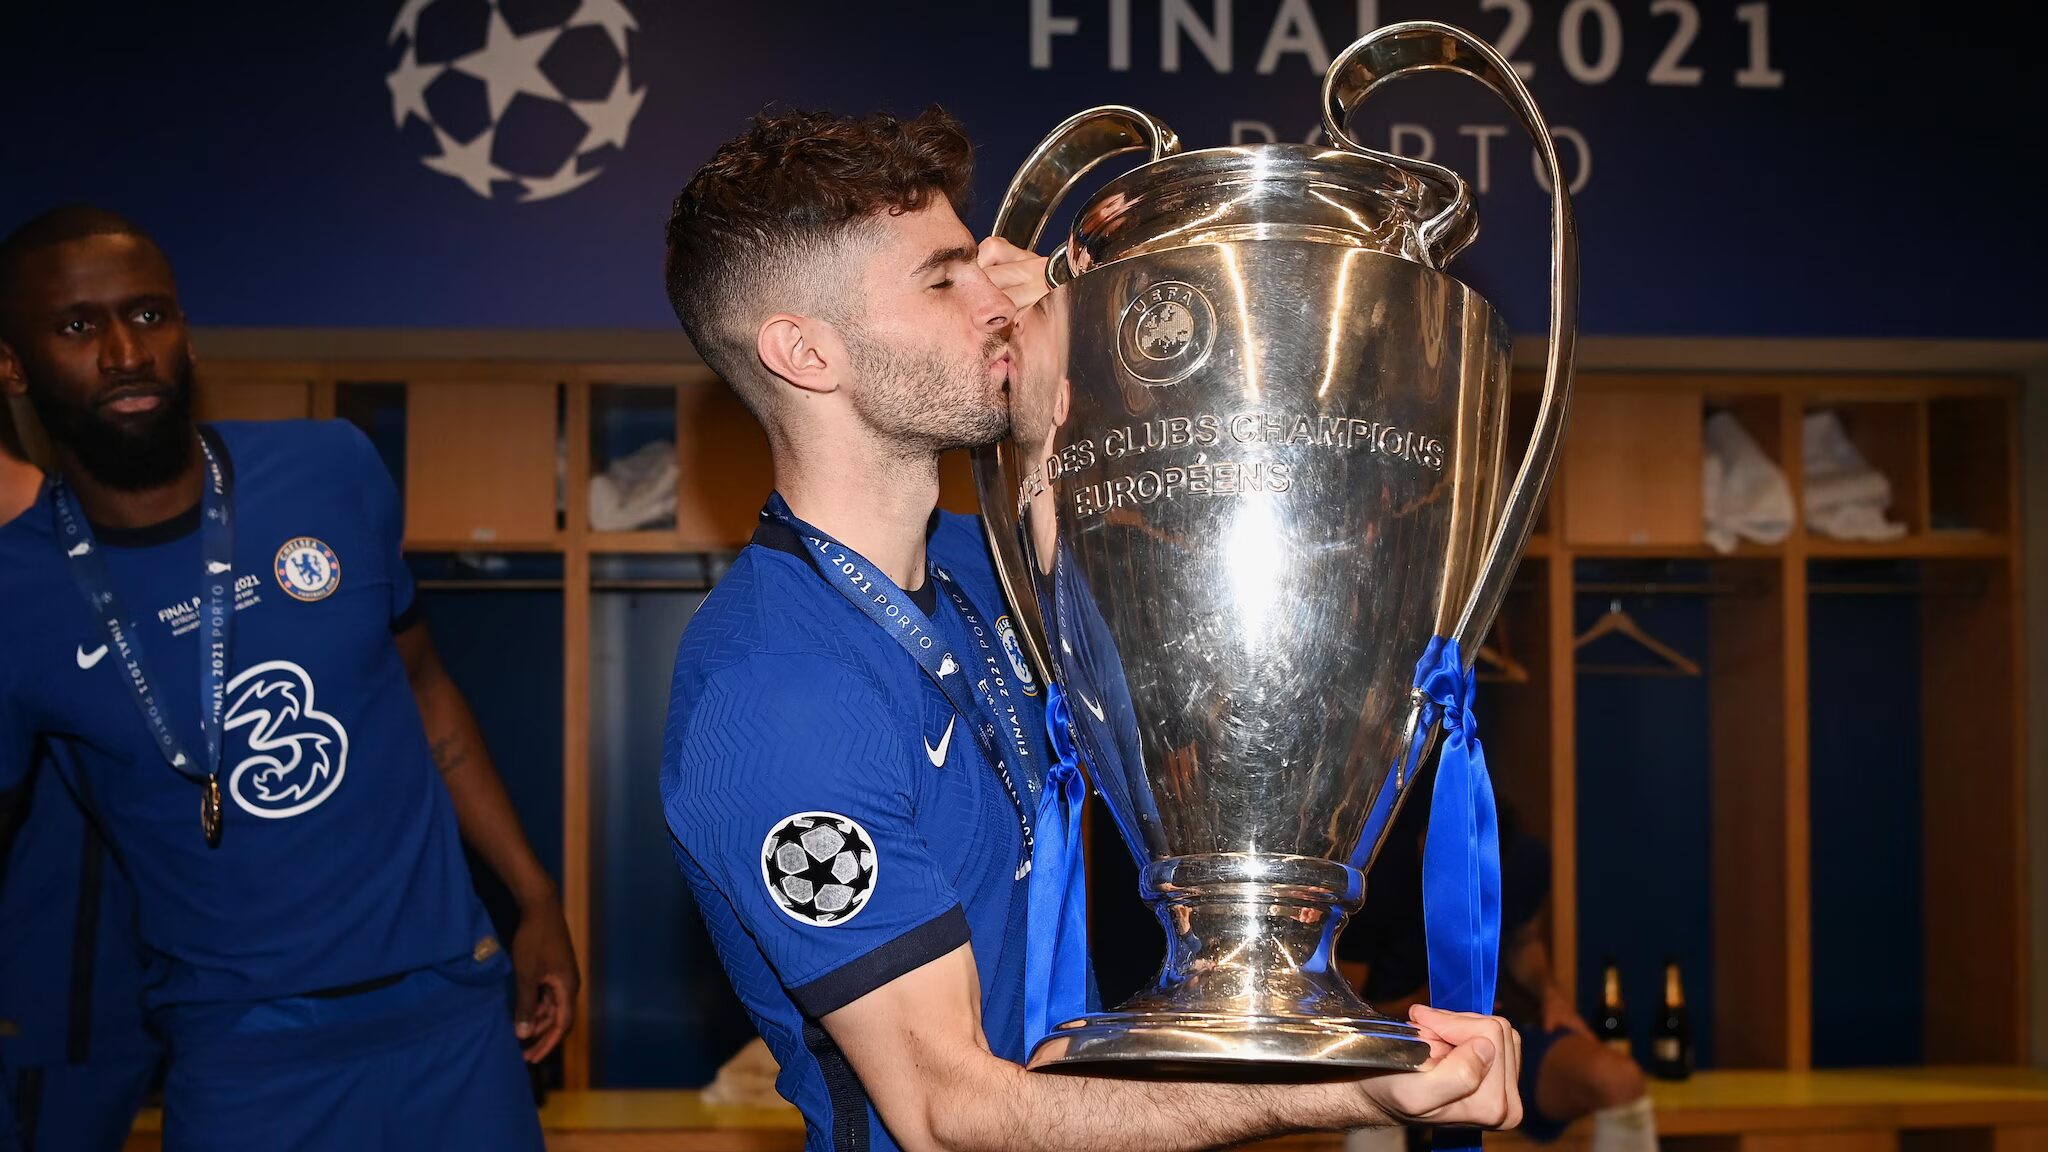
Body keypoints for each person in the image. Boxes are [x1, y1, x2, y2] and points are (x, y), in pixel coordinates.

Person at [659, 105, 1520, 1152]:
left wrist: (1079, 342)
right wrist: (1358, 1088)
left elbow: (1228, 597)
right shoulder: (772, 696)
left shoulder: (991, 576)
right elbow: (947, 1112)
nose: (997, 297)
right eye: (942, 280)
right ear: (804, 351)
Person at [0, 205, 577, 1151]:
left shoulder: (332, 468)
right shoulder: (17, 596)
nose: (123, 352)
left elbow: (429, 694)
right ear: (13, 365)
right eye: (76, 326)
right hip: (244, 1053)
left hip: (452, 1009)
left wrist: (536, 897)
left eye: (149, 315)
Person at [1339, 788, 1655, 1152]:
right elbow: (1349, 1008)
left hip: (1496, 1034)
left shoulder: (1525, 863)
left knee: (1620, 1079)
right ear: (1424, 838)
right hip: (1393, 1040)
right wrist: (1419, 1007)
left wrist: (1551, 994)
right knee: (1377, 1106)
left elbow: (1524, 943)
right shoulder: (1378, 874)